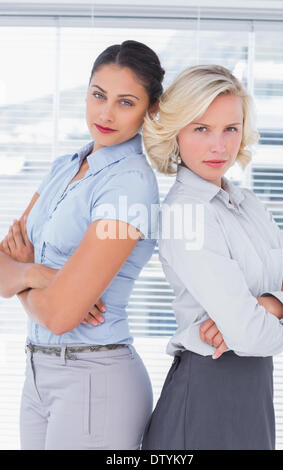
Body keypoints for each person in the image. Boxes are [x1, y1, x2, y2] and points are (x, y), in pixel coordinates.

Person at [0, 40, 164, 450]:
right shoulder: (65, 166)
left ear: (151, 110)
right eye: (98, 95)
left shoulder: (129, 184)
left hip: (94, 380)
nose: (105, 113)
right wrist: (39, 273)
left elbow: (60, 317)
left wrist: (22, 275)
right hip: (38, 373)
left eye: (126, 102)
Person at [141, 64, 283, 450]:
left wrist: (269, 305)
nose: (220, 146)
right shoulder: (185, 214)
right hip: (206, 396)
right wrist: (279, 307)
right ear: (176, 132)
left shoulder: (247, 204)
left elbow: (250, 326)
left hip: (254, 395)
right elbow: (246, 333)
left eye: (231, 128)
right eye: (201, 128)